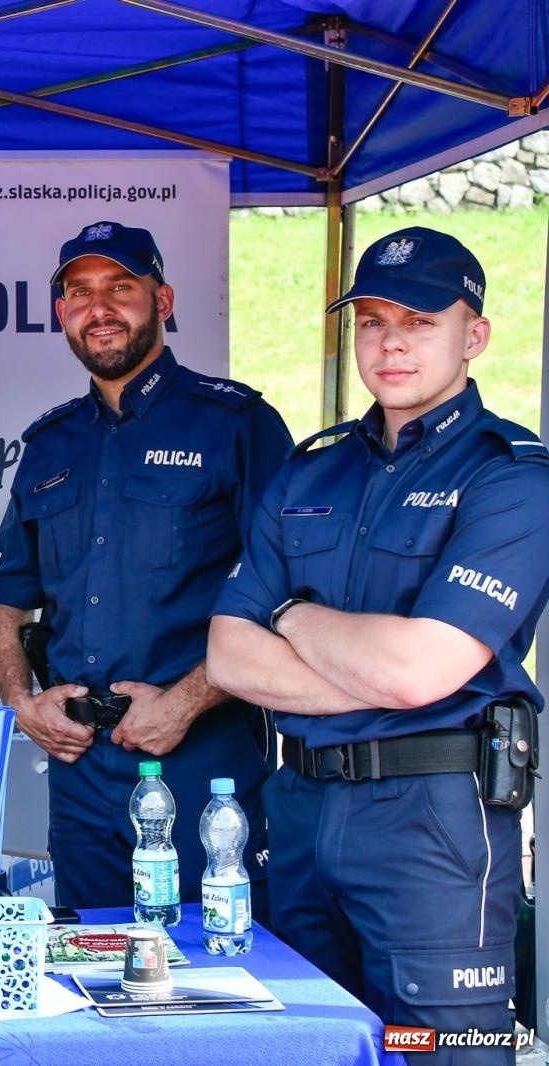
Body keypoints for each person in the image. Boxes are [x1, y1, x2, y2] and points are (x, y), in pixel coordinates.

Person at [209, 226, 549, 1055]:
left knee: (435, 1048)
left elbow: (418, 668)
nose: (390, 339)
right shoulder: (310, 470)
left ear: (474, 337)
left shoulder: (512, 475)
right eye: (370, 320)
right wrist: (386, 669)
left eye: (421, 319)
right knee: (302, 1043)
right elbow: (227, 654)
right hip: (301, 808)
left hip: (431, 822)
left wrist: (289, 615)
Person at [0, 221, 293, 912]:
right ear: (61, 313)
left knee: (214, 966)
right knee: (93, 963)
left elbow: (286, 597)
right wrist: (21, 703)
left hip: (201, 763)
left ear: (164, 299)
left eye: (121, 288)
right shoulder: (49, 443)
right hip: (81, 768)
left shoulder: (236, 425)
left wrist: (183, 703)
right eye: (81, 293)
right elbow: (6, 601)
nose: (101, 308)